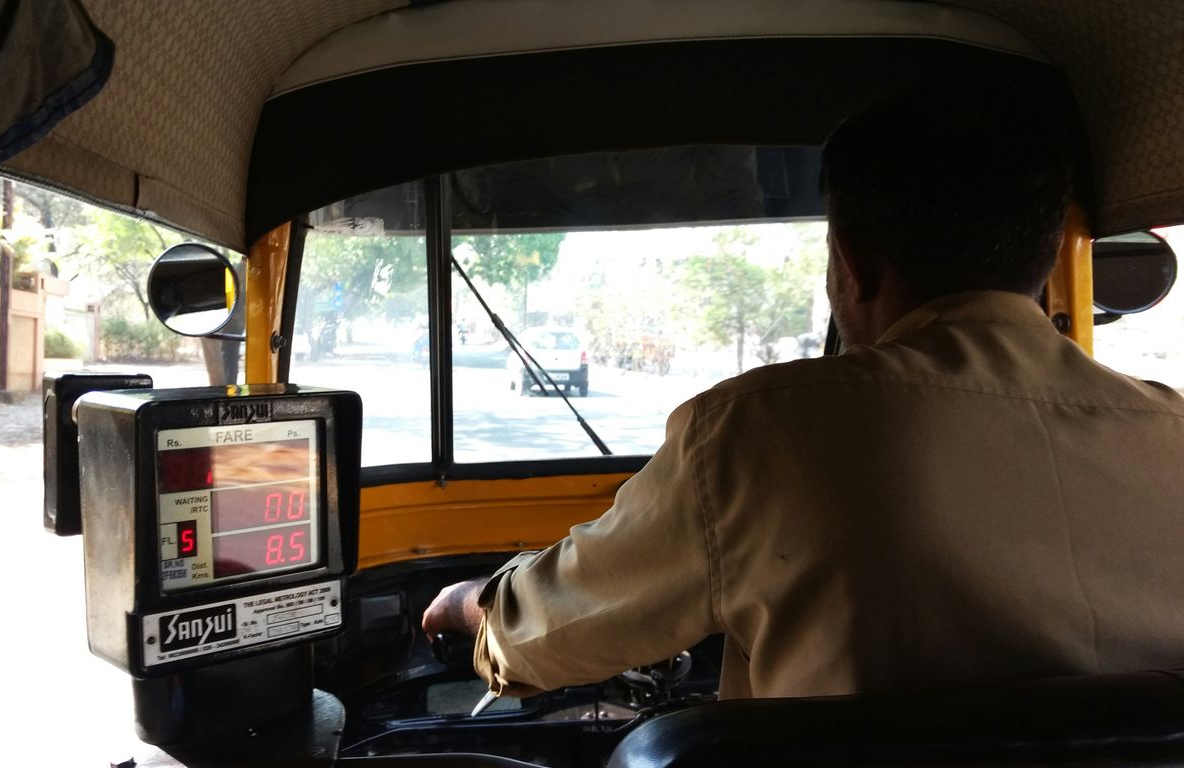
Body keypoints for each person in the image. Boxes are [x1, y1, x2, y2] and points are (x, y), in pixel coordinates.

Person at [422, 89, 1184, 701]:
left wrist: (472, 608)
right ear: (1048, 252)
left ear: (852, 264)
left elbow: (555, 635)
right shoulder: (1171, 433)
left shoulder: (761, 432)